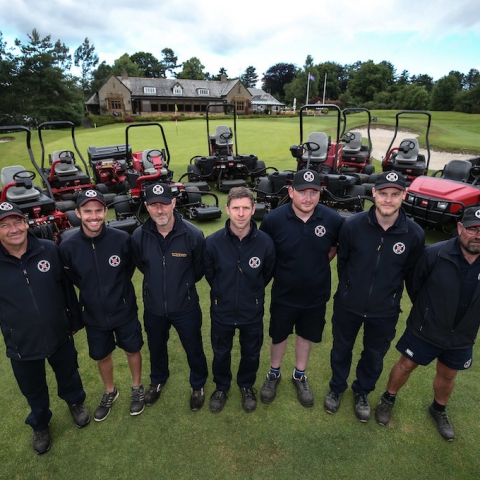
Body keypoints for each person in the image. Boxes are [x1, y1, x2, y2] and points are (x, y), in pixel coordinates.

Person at [324, 171, 425, 422]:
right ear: (373, 194)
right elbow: (343, 264)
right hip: (348, 304)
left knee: (373, 355)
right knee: (341, 349)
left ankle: (362, 392)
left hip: (385, 310)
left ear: (404, 195)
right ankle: (336, 388)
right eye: (383, 194)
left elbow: (410, 274)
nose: (388, 200)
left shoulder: (414, 234)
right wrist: (349, 289)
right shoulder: (352, 225)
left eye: (394, 194)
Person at [375, 206, 480, 441]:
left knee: (448, 374)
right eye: (473, 229)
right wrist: (428, 312)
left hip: (462, 334)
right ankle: (388, 398)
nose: (478, 235)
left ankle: (438, 409)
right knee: (406, 365)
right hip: (426, 328)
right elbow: (415, 285)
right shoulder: (434, 253)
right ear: (460, 228)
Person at [0, 201, 90, 455]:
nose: (13, 229)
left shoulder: (49, 249)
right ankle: (40, 423)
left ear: (26, 223)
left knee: (69, 373)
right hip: (21, 343)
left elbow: (66, 289)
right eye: (4, 225)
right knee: (33, 387)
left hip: (58, 333)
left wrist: (74, 320)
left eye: (17, 222)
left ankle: (75, 403)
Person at [259, 169, 342, 407]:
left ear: (320, 193)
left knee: (306, 334)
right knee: (279, 334)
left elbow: (331, 250)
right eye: (302, 192)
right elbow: (266, 253)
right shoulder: (273, 220)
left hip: (316, 294)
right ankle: (274, 373)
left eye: (313, 192)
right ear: (291, 191)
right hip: (284, 293)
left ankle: (299, 374)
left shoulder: (332, 219)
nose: (308, 198)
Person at [59, 190, 145, 421]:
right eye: (87, 211)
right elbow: (74, 279)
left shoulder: (121, 239)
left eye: (98, 210)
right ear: (77, 213)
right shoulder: (68, 246)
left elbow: (128, 270)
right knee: (102, 355)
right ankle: (110, 391)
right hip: (93, 315)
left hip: (124, 310)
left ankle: (137, 387)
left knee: (132, 349)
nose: (93, 216)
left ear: (106, 211)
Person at [131, 183, 208, 411]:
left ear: (173, 203)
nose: (159, 210)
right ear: (146, 206)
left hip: (186, 307)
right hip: (154, 308)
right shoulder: (139, 236)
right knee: (156, 347)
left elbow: (198, 270)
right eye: (153, 205)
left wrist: (180, 287)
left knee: (194, 348)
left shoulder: (193, 234)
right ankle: (157, 380)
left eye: (164, 204)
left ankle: (198, 385)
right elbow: (142, 265)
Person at [204, 187, 275, 413]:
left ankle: (246, 386)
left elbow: (267, 274)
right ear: (227, 210)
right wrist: (222, 294)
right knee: (221, 352)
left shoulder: (265, 242)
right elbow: (210, 274)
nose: (241, 213)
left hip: (251, 312)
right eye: (236, 208)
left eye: (246, 208)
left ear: (254, 209)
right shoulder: (213, 242)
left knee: (251, 353)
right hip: (222, 311)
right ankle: (221, 387)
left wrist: (251, 294)